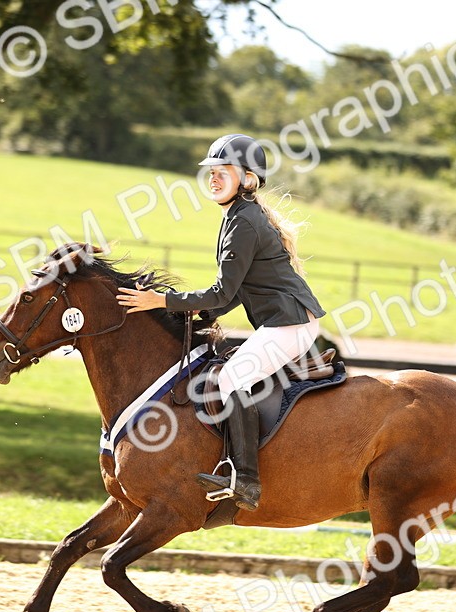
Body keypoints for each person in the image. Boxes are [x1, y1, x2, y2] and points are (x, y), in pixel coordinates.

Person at [116, 133, 326, 511]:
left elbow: (220, 292)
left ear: (248, 178)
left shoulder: (244, 221)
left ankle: (245, 480)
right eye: (211, 171)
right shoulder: (238, 216)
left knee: (231, 379)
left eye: (223, 171)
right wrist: (190, 316)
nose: (213, 178)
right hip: (284, 322)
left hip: (290, 324)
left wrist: (161, 301)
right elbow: (233, 295)